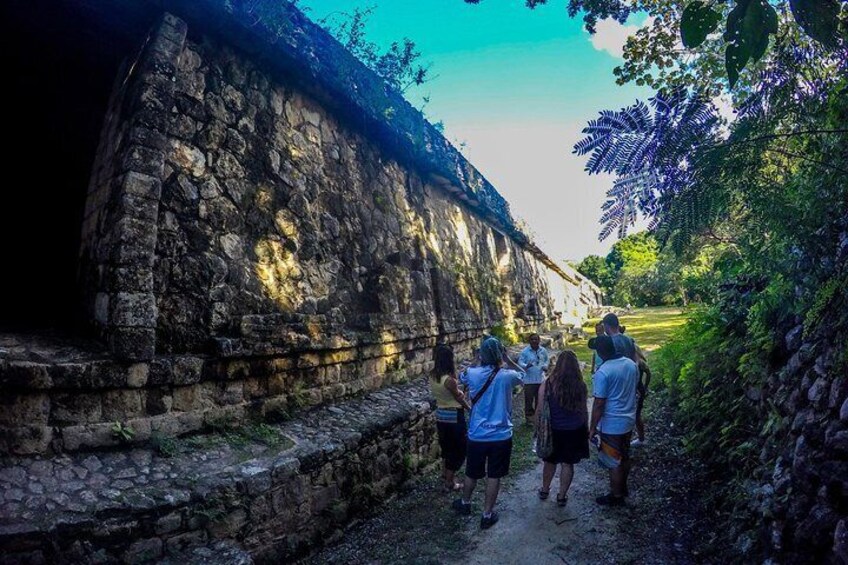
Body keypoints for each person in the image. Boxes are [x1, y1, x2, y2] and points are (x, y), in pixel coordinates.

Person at [453, 337, 525, 529]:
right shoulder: (507, 375)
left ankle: (466, 503)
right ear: (500, 354)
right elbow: (525, 376)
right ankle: (487, 514)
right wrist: (508, 360)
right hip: (500, 435)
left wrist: (477, 360)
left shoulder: (472, 373)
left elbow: (460, 378)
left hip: (477, 434)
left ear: (482, 354)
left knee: (471, 472)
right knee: (494, 475)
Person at [589, 335, 638, 506]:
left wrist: (592, 427)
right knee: (624, 456)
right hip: (628, 419)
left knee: (613, 461)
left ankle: (616, 496)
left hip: (612, 424)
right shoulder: (631, 364)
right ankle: (622, 489)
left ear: (600, 352)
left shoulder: (603, 372)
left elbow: (599, 403)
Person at [536, 350, 590, 507]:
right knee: (567, 464)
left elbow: (539, 408)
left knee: (550, 462)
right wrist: (586, 427)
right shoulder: (581, 385)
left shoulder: (548, 383)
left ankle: (545, 489)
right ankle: (561, 496)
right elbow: (583, 409)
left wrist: (538, 428)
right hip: (574, 429)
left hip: (554, 429)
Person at [430, 344, 472, 491]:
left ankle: (446, 474)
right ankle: (449, 481)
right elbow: (458, 398)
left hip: (441, 415)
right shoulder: (449, 380)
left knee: (447, 447)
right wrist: (469, 408)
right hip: (454, 415)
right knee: (460, 449)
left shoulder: (433, 375)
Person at [518, 333, 550, 425]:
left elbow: (546, 360)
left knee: (539, 399)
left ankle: (538, 418)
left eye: (536, 339)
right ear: (529, 341)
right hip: (529, 380)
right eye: (532, 339)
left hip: (540, 379)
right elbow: (520, 362)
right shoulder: (525, 351)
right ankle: (529, 418)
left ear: (539, 341)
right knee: (529, 400)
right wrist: (526, 366)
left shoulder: (543, 350)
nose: (534, 341)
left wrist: (545, 366)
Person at [631, 350, 653, 447]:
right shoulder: (640, 362)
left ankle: (641, 438)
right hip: (639, 390)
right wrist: (645, 386)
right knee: (636, 415)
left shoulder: (635, 362)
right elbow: (648, 373)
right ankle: (640, 438)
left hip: (636, 391)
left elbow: (648, 373)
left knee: (636, 416)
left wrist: (645, 386)